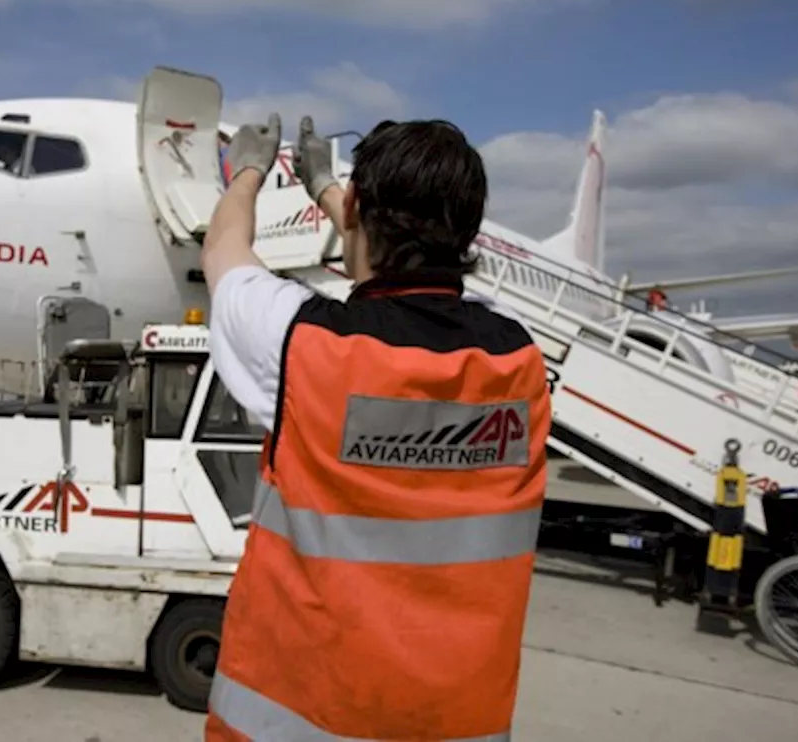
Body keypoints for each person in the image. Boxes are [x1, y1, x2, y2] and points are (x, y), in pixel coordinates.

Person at [199, 113, 552, 741]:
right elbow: (414, 273)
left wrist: (248, 171)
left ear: (361, 207)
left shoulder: (303, 344)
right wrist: (331, 191)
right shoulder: (516, 361)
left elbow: (224, 253)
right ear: (467, 231)